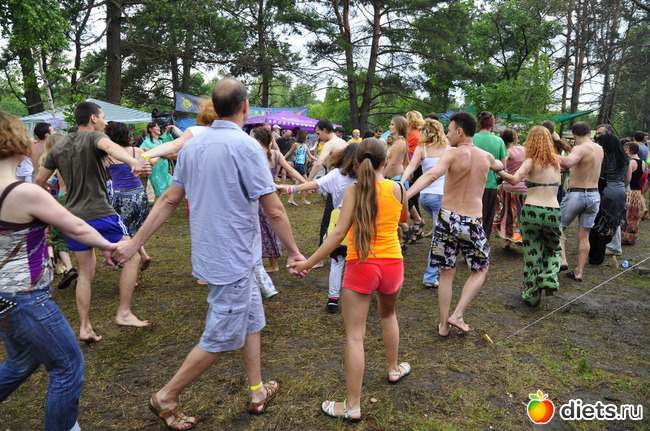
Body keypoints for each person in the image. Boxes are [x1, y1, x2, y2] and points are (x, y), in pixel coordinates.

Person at [112, 78, 307, 430]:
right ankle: (166, 397)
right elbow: (275, 210)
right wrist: (293, 252)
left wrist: (134, 242)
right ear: (245, 107)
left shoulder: (193, 147)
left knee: (252, 321)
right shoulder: (247, 147)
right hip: (232, 260)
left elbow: (168, 201)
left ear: (214, 108)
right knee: (220, 336)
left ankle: (257, 392)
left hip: (224, 256)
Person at [0, 111, 118, 431]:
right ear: (18, 144)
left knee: (21, 362)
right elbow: (75, 226)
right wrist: (109, 245)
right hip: (27, 299)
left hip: (3, 299)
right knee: (67, 366)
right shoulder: (23, 192)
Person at [289, 138, 410, 422]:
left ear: (356, 163)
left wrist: (308, 263)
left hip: (361, 265)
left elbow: (337, 234)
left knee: (355, 336)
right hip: (392, 264)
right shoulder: (399, 188)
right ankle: (394, 369)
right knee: (389, 315)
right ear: (385, 162)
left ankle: (352, 405)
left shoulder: (353, 191)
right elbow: (403, 218)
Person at [35, 101, 151, 343]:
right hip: (101, 214)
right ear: (93, 119)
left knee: (86, 274)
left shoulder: (59, 145)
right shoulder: (96, 137)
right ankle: (124, 312)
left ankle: (85, 327)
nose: (106, 122)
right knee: (133, 257)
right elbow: (110, 146)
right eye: (103, 117)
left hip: (73, 219)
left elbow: (39, 181)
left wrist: (50, 209)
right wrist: (133, 162)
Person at [407, 112, 504, 336]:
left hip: (447, 218)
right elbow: (500, 165)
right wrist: (504, 172)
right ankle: (457, 314)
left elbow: (431, 176)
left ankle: (444, 325)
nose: (448, 135)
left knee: (446, 273)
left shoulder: (451, 154)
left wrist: (405, 196)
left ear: (460, 131)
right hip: (472, 221)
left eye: (450, 131)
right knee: (480, 269)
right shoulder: (486, 157)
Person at [279, 144, 359, 313]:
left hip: (339, 222)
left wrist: (290, 188)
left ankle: (333, 298)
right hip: (360, 224)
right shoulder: (367, 177)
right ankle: (358, 296)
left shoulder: (336, 174)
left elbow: (315, 184)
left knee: (337, 261)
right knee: (358, 262)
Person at [497, 126, 562, 306]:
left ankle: (532, 295)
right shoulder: (557, 162)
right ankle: (549, 277)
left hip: (532, 210)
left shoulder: (530, 161)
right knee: (553, 248)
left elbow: (514, 179)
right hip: (553, 211)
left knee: (532, 252)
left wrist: (497, 170)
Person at [400, 118, 448, 288]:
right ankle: (430, 276)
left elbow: (411, 167)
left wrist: (401, 183)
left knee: (441, 231)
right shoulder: (448, 148)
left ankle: (441, 264)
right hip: (440, 197)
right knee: (439, 237)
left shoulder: (422, 149)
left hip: (425, 197)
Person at [558, 122, 604, 281]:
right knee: (584, 236)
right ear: (590, 133)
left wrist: (549, 153)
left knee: (558, 227)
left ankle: (562, 260)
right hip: (594, 195)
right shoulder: (599, 148)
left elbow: (568, 162)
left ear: (574, 135)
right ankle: (579, 272)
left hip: (577, 194)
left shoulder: (579, 148)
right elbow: (582, 166)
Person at [105, 121, 152, 270]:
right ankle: (143, 255)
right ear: (126, 134)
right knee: (134, 229)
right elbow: (151, 162)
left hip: (121, 197)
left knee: (124, 232)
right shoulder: (136, 151)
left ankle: (131, 267)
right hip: (139, 194)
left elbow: (109, 177)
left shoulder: (107, 157)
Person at [38, 134, 79, 289]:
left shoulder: (49, 162)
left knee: (58, 236)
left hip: (60, 199)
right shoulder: (75, 159)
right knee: (80, 234)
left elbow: (43, 183)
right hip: (78, 197)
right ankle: (83, 271)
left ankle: (69, 268)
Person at [309, 119, 348, 268]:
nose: (318, 137)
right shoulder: (344, 143)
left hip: (337, 188)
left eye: (318, 133)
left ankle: (319, 258)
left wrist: (308, 181)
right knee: (346, 220)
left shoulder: (330, 144)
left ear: (325, 130)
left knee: (327, 221)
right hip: (348, 187)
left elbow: (319, 163)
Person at [473, 111, 508, 240]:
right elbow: (503, 165)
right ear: (492, 124)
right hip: (490, 184)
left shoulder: (471, 138)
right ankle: (483, 244)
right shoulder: (499, 141)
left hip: (472, 185)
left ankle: (470, 244)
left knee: (472, 217)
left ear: (479, 123)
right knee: (487, 219)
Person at [598, 133, 631, 258]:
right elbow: (627, 179)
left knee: (601, 219)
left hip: (605, 189)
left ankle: (610, 246)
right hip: (620, 190)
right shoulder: (625, 158)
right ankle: (612, 245)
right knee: (615, 220)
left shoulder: (603, 158)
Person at [495, 129, 526, 248]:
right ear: (514, 139)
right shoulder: (524, 150)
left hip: (510, 188)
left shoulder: (507, 152)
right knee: (522, 214)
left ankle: (509, 239)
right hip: (525, 189)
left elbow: (502, 166)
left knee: (509, 215)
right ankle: (522, 237)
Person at [140, 121, 174, 203]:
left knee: (167, 190)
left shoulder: (161, 140)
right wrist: (146, 153)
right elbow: (140, 153)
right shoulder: (147, 142)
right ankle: (157, 209)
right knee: (159, 194)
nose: (158, 128)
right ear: (150, 129)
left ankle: (162, 208)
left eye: (158, 126)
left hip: (165, 169)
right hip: (155, 172)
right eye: (156, 126)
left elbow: (170, 144)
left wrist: (167, 132)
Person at [621, 141, 645, 245]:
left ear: (631, 150)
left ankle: (623, 237)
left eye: (626, 149)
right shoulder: (642, 162)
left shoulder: (631, 163)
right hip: (637, 191)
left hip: (630, 191)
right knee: (634, 215)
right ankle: (631, 237)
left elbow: (627, 179)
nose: (625, 151)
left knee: (626, 214)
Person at [284, 130, 313, 206]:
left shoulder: (305, 145)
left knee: (298, 183)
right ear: (303, 136)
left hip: (302, 165)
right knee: (305, 182)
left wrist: (318, 160)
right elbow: (289, 152)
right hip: (298, 165)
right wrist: (283, 158)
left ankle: (291, 199)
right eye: (306, 135)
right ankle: (303, 199)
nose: (307, 137)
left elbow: (310, 155)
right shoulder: (296, 144)